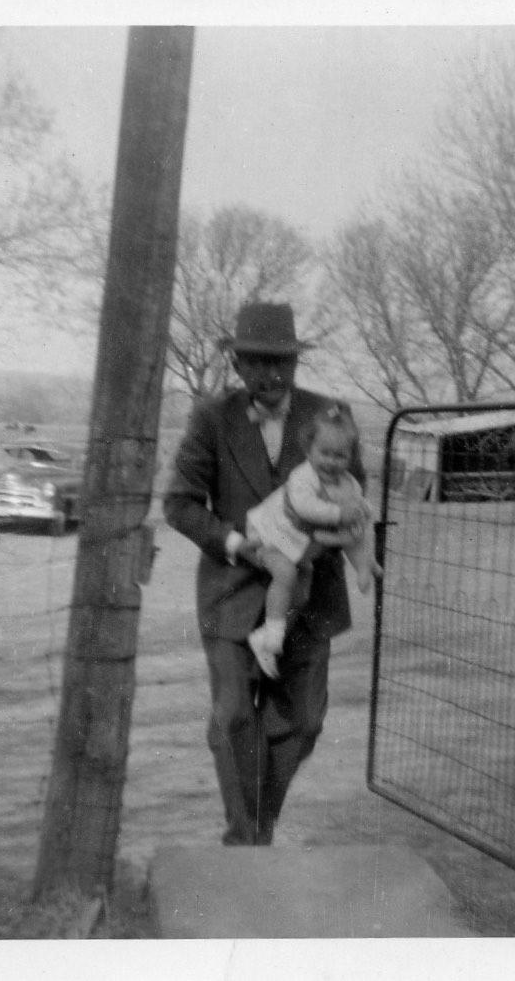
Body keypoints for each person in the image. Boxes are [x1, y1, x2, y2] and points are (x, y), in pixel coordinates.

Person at [162, 300, 368, 846]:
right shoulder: (212, 418)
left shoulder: (330, 415)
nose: (269, 374)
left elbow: (355, 501)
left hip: (312, 597)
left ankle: (258, 826)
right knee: (233, 718)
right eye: (256, 362)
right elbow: (180, 504)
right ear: (237, 365)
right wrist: (235, 543)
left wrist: (329, 545)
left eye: (280, 362)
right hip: (231, 596)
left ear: (296, 363)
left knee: (303, 723)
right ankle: (247, 839)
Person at [244, 402, 381, 679]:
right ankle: (268, 636)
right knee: (285, 574)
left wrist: (360, 509)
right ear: (309, 450)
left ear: (350, 458)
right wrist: (339, 513)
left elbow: (355, 502)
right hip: (271, 532)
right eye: (325, 454)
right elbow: (305, 506)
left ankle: (365, 565)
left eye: (340, 456)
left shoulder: (347, 483)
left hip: (301, 537)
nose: (331, 462)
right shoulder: (303, 476)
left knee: (355, 528)